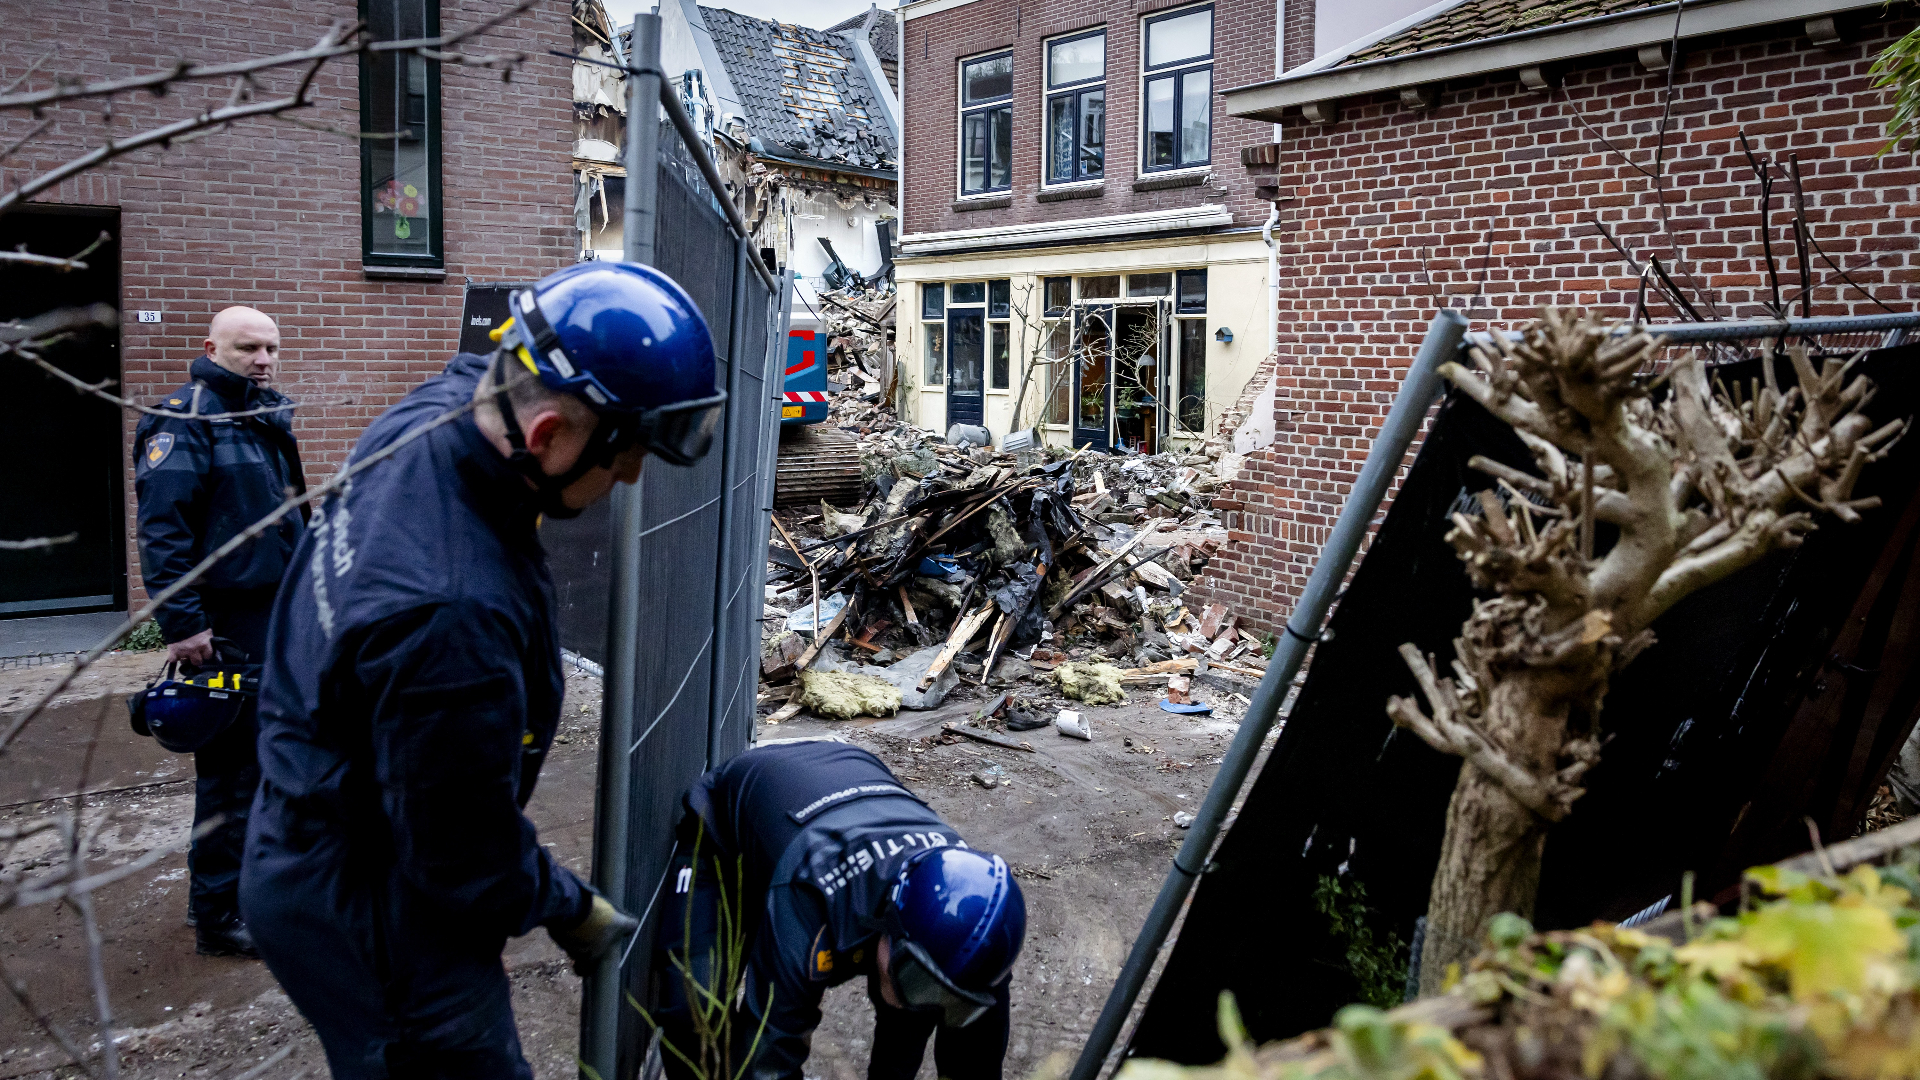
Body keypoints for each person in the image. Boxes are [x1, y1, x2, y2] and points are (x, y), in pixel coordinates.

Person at [240, 262, 728, 1077]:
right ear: (545, 439)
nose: (632, 478)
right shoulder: (452, 615)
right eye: (628, 452)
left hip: (316, 826)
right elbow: (460, 853)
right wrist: (566, 906)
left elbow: (480, 364)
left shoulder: (430, 420)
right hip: (375, 906)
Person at [655, 741, 1026, 1080]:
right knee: (693, 1011)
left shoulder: (978, 923)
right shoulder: (808, 898)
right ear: (890, 919)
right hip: (729, 830)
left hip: (850, 785)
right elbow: (769, 1060)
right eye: (918, 980)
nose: (926, 1003)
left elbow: (977, 1062)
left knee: (926, 994)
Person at [134, 305, 305, 958]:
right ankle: (218, 915)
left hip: (271, 618)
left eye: (271, 348)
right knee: (232, 769)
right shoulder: (187, 418)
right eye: (247, 348)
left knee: (264, 759)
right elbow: (163, 529)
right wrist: (183, 625)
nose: (262, 359)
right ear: (211, 347)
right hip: (227, 631)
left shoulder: (261, 415)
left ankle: (246, 892)